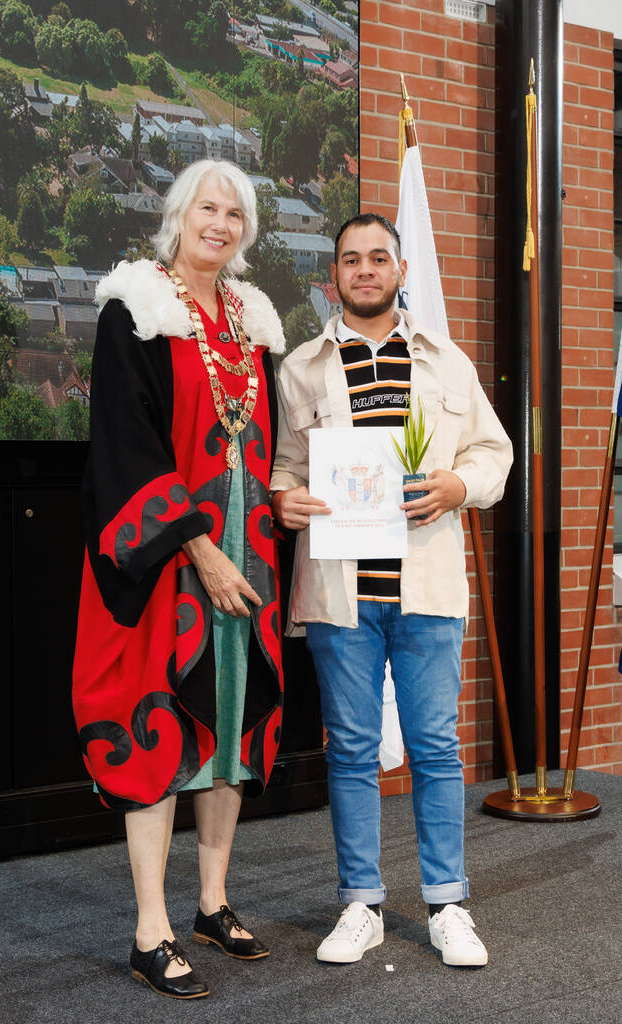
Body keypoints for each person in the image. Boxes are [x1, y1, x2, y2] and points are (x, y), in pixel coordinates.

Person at [270, 213, 512, 968]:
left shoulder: (445, 363)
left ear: (400, 271)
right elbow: (282, 471)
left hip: (427, 589)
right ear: (333, 276)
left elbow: (493, 454)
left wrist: (456, 483)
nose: (365, 270)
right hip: (341, 592)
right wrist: (284, 501)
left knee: (436, 750)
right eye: (351, 260)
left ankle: (446, 904)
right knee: (347, 752)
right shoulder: (300, 369)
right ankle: (360, 904)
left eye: (379, 258)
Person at [73, 159, 285, 999]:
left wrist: (284, 499)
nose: (221, 223)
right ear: (178, 213)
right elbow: (124, 447)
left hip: (249, 547)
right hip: (168, 554)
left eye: (236, 212)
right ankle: (149, 928)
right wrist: (200, 547)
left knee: (229, 722)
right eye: (209, 206)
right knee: (161, 727)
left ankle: (212, 902)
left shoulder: (249, 319)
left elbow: (257, 438)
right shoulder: (138, 309)